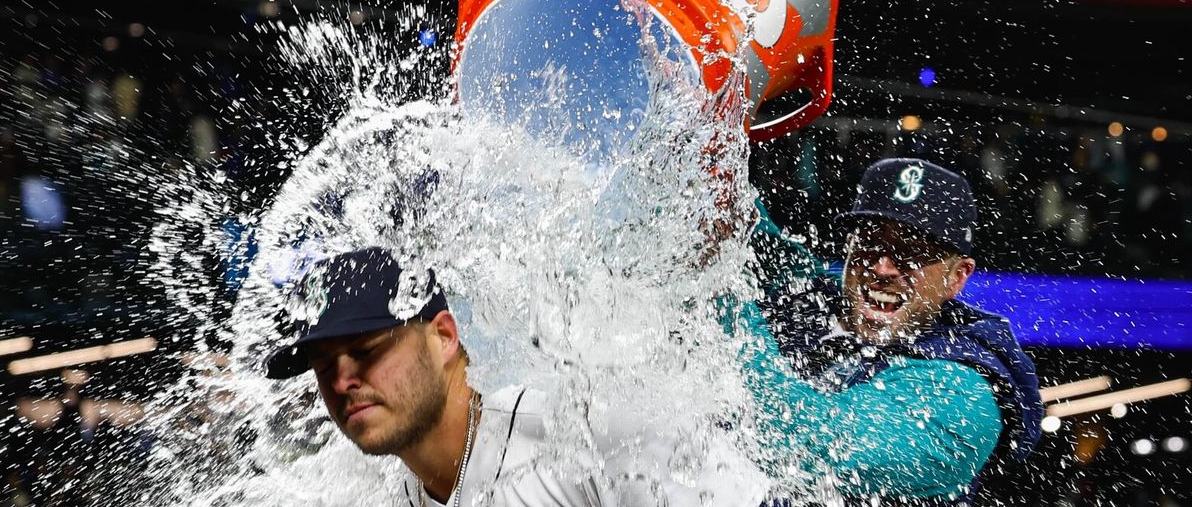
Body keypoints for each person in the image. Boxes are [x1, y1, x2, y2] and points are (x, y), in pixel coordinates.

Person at [266, 246, 768, 507]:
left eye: (364, 350)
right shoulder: (370, 493)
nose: (341, 381)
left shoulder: (589, 428)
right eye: (323, 366)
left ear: (444, 337)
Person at [728, 158, 1043, 504]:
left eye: (912, 251)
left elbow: (810, 447)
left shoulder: (967, 398)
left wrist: (719, 293)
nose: (882, 267)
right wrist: (720, 178)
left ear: (958, 276)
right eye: (869, 241)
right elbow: (759, 249)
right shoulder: (821, 301)